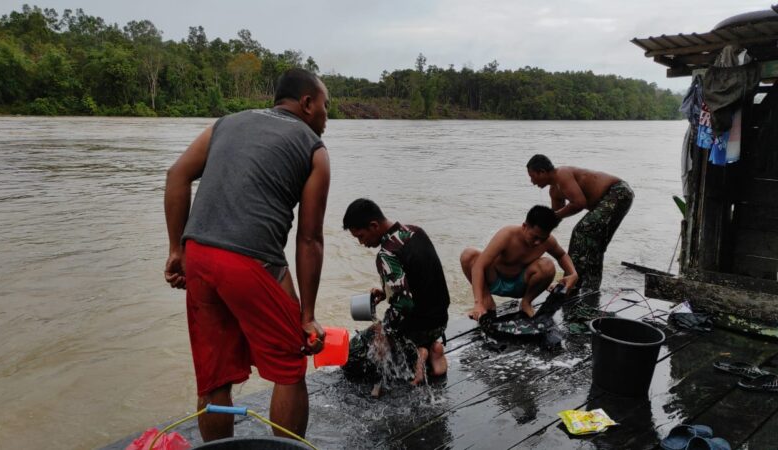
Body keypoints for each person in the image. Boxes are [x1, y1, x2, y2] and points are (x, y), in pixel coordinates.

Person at [163, 68, 331, 442]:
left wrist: (177, 249)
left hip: (199, 256)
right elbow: (309, 240)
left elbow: (176, 175)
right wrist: (307, 316)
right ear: (306, 104)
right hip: (249, 261)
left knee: (214, 377)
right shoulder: (313, 148)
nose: (326, 118)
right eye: (325, 107)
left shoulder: (226, 123)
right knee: (289, 367)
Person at [342, 198, 449, 385]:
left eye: (360, 236)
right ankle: (430, 346)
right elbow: (422, 279)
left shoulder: (386, 254)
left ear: (374, 226)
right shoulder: (415, 232)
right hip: (440, 322)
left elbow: (404, 305)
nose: (362, 243)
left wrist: (383, 332)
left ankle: (418, 352)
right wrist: (387, 292)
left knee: (352, 355)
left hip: (418, 328)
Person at [526, 154, 634, 292]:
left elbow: (579, 203)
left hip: (618, 192)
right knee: (595, 244)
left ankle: (572, 281)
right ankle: (588, 286)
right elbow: (554, 220)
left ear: (542, 172)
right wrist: (536, 236)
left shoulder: (562, 174)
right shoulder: (554, 191)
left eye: (532, 176)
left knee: (581, 231)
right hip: (610, 200)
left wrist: (553, 215)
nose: (532, 181)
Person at [461, 205, 578, 320]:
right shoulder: (507, 235)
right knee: (468, 255)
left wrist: (572, 274)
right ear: (524, 226)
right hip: (494, 280)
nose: (538, 242)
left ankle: (526, 302)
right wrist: (478, 302)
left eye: (543, 238)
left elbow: (561, 255)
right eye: (535, 237)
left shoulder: (548, 241)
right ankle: (487, 299)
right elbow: (478, 266)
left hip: (521, 285)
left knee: (547, 265)